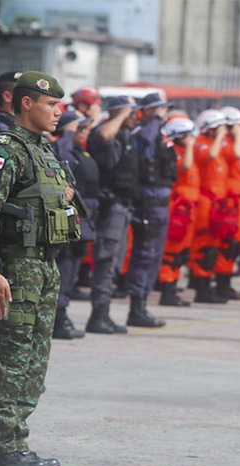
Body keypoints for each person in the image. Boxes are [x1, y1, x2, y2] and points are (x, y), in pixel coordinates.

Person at [0, 70, 76, 466]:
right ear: (26, 103)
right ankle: (0, 448)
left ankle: (16, 441)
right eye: (52, 104)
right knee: (9, 358)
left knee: (33, 361)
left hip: (45, 266)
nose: (58, 112)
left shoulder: (43, 150)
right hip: (17, 267)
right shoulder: (6, 148)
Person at [85, 95, 138, 334]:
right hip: (109, 208)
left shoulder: (126, 136)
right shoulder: (104, 133)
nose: (133, 117)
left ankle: (104, 313)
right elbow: (104, 135)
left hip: (123, 207)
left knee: (115, 263)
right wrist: (120, 115)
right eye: (129, 113)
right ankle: (97, 315)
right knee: (106, 260)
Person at [125, 92, 172, 327]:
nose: (164, 114)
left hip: (161, 206)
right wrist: (153, 120)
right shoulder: (142, 132)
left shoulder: (159, 134)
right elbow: (144, 142)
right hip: (147, 205)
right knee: (144, 255)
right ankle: (137, 307)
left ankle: (143, 303)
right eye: (159, 109)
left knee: (154, 257)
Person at [52, 110, 96, 339]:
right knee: (65, 266)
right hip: (68, 216)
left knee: (73, 265)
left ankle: (62, 311)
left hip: (84, 217)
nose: (84, 132)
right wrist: (67, 132)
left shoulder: (81, 152)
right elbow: (61, 152)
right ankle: (58, 316)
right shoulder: (63, 148)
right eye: (80, 128)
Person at [158, 116, 200, 307]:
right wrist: (190, 147)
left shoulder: (184, 151)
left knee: (181, 251)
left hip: (188, 209)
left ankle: (173, 286)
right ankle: (167, 289)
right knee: (172, 251)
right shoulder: (174, 153)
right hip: (177, 209)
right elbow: (184, 167)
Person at [189, 109, 230, 303]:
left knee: (214, 245)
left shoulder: (217, 147)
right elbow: (210, 156)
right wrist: (220, 135)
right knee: (203, 246)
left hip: (218, 204)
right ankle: (201, 288)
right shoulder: (201, 145)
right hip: (205, 203)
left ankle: (207, 284)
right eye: (218, 127)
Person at [215, 106, 240, 300]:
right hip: (230, 203)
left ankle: (225, 282)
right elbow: (236, 154)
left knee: (235, 245)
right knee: (227, 244)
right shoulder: (226, 144)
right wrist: (236, 135)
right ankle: (222, 284)